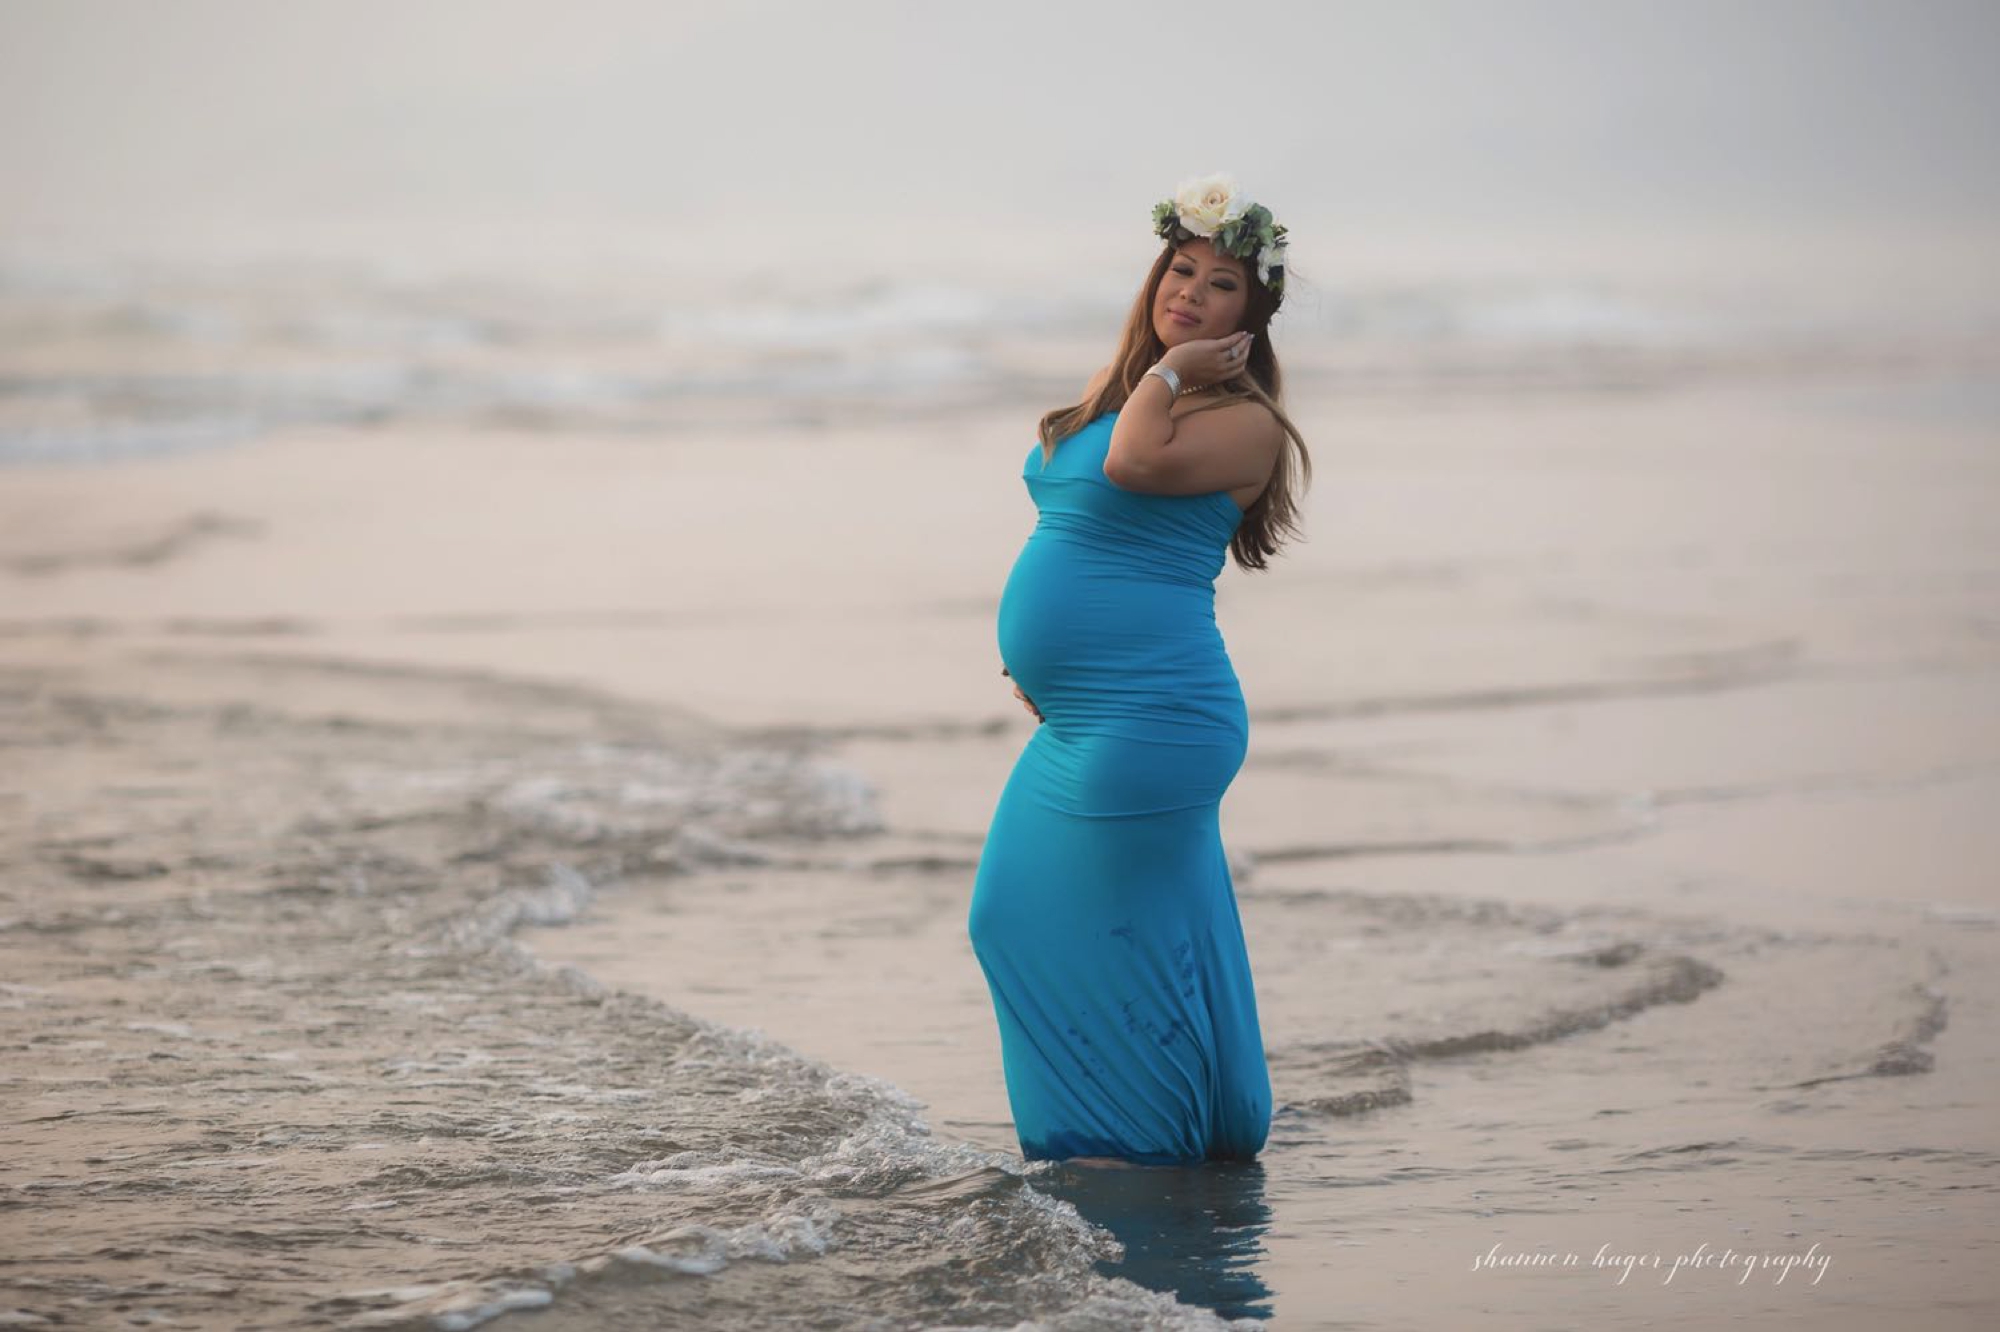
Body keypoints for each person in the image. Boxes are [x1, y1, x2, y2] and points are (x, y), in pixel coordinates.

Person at [967, 173, 1312, 1166]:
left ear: (1250, 321)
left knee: (1041, 921)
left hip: (1153, 717)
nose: (1189, 292)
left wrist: (1170, 373)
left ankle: (1124, 1148)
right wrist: (1047, 666)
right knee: (1044, 918)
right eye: (1179, 269)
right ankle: (1178, 1127)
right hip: (1088, 718)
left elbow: (1126, 471)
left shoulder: (1236, 420)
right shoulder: (1125, 401)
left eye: (1220, 285)